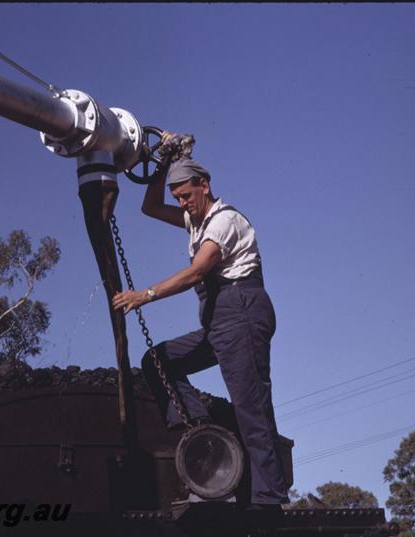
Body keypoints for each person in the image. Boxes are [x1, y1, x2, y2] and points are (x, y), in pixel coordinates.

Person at [111, 135, 290, 510]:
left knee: (251, 408)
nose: (182, 204)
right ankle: (200, 424)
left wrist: (144, 295)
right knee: (158, 360)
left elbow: (197, 272)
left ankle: (268, 500)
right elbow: (149, 207)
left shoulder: (224, 221)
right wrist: (161, 165)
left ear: (204, 185)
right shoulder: (196, 221)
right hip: (219, 321)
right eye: (177, 199)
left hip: (241, 310)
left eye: (187, 196)